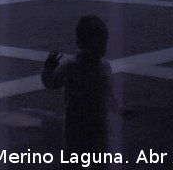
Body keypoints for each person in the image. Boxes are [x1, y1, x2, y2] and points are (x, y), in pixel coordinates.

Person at [42, 14, 117, 154]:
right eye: (101, 43)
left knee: (76, 159)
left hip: (76, 124)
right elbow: (108, 92)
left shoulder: (71, 66)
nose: (103, 47)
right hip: (96, 125)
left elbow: (51, 82)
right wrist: (117, 109)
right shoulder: (104, 66)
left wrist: (48, 68)